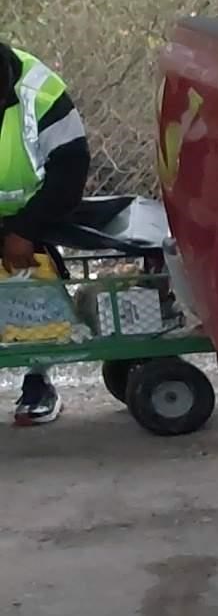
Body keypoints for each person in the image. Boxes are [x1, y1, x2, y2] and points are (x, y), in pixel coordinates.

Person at [1, 43, 90, 427]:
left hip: (35, 213)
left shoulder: (42, 92)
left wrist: (23, 230)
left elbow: (70, 171)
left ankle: (37, 381)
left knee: (33, 292)